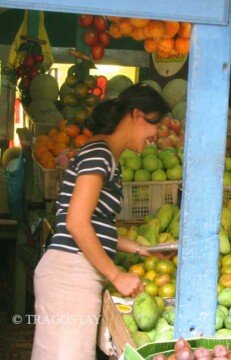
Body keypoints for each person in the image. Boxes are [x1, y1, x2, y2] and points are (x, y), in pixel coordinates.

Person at [31, 84, 171, 360]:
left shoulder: (106, 157)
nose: (157, 136)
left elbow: (94, 225)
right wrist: (116, 276)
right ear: (137, 116)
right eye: (157, 126)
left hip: (73, 272)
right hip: (69, 274)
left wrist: (144, 250)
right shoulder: (100, 153)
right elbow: (77, 223)